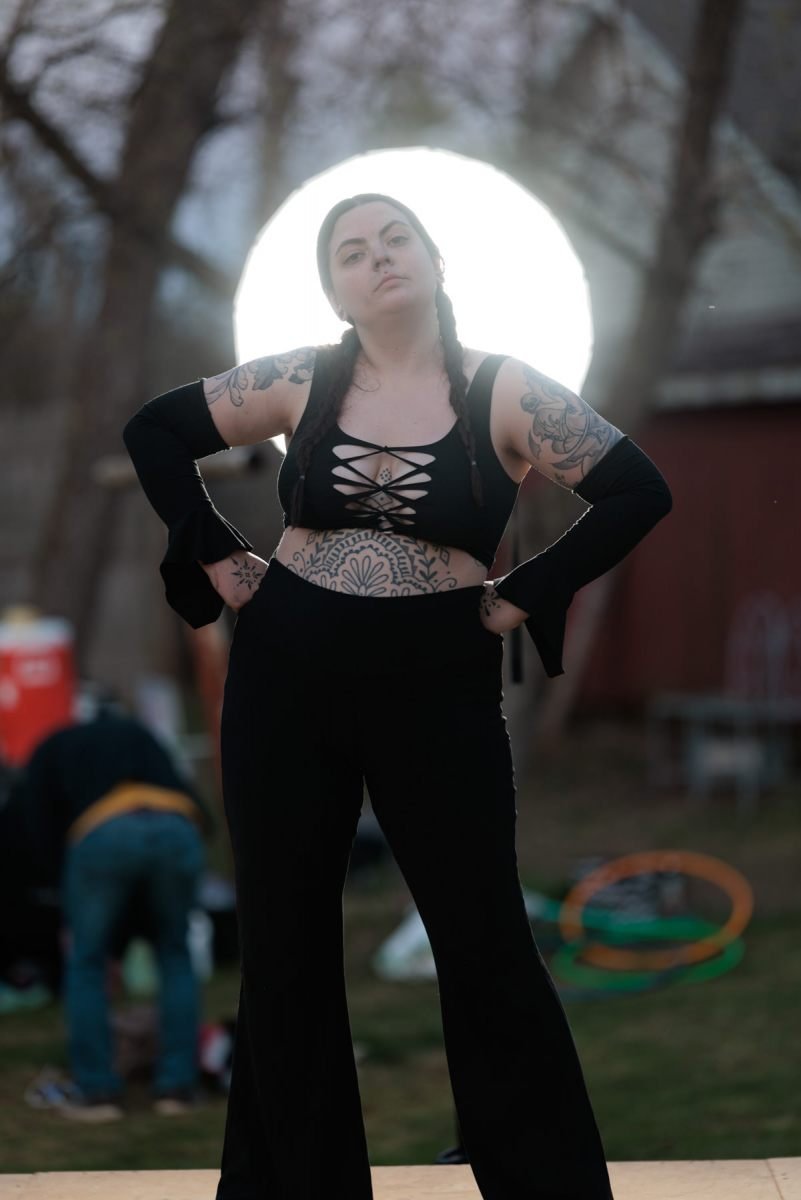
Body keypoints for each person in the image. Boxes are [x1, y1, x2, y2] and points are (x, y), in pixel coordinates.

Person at [123, 193, 672, 1199]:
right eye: (351, 252)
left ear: (434, 259)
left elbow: (638, 490)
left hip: (436, 684)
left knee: (483, 938)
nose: (377, 259)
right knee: (285, 945)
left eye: (395, 239)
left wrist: (527, 592)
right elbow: (156, 430)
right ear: (336, 291)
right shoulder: (302, 379)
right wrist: (221, 560)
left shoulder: (506, 390)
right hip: (286, 672)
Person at [13, 687, 214, 1121]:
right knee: (174, 952)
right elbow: (194, 798)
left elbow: (35, 825)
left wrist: (63, 894)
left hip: (103, 831)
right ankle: (177, 1088)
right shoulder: (137, 732)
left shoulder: (54, 744)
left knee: (87, 960)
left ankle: (98, 1092)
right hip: (177, 825)